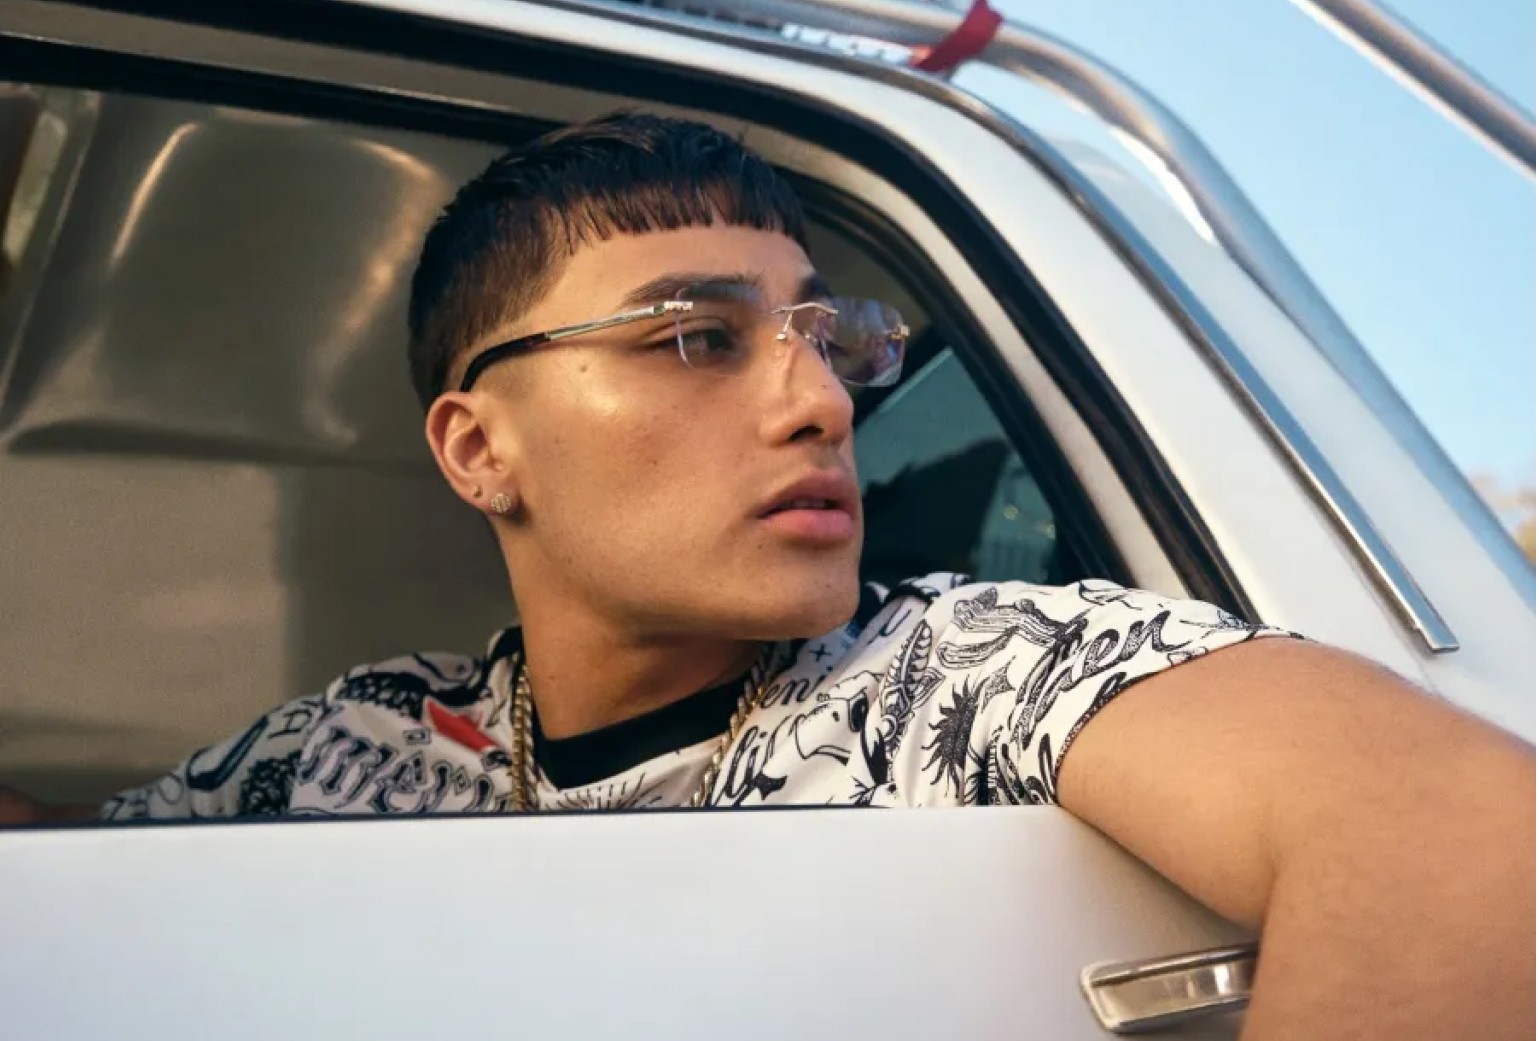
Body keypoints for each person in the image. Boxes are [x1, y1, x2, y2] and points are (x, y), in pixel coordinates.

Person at [1, 113, 1532, 1037]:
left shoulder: (958, 669)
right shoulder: (358, 749)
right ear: (479, 451)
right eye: (692, 337)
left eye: (830, 340)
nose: (815, 402)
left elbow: (1465, 842)